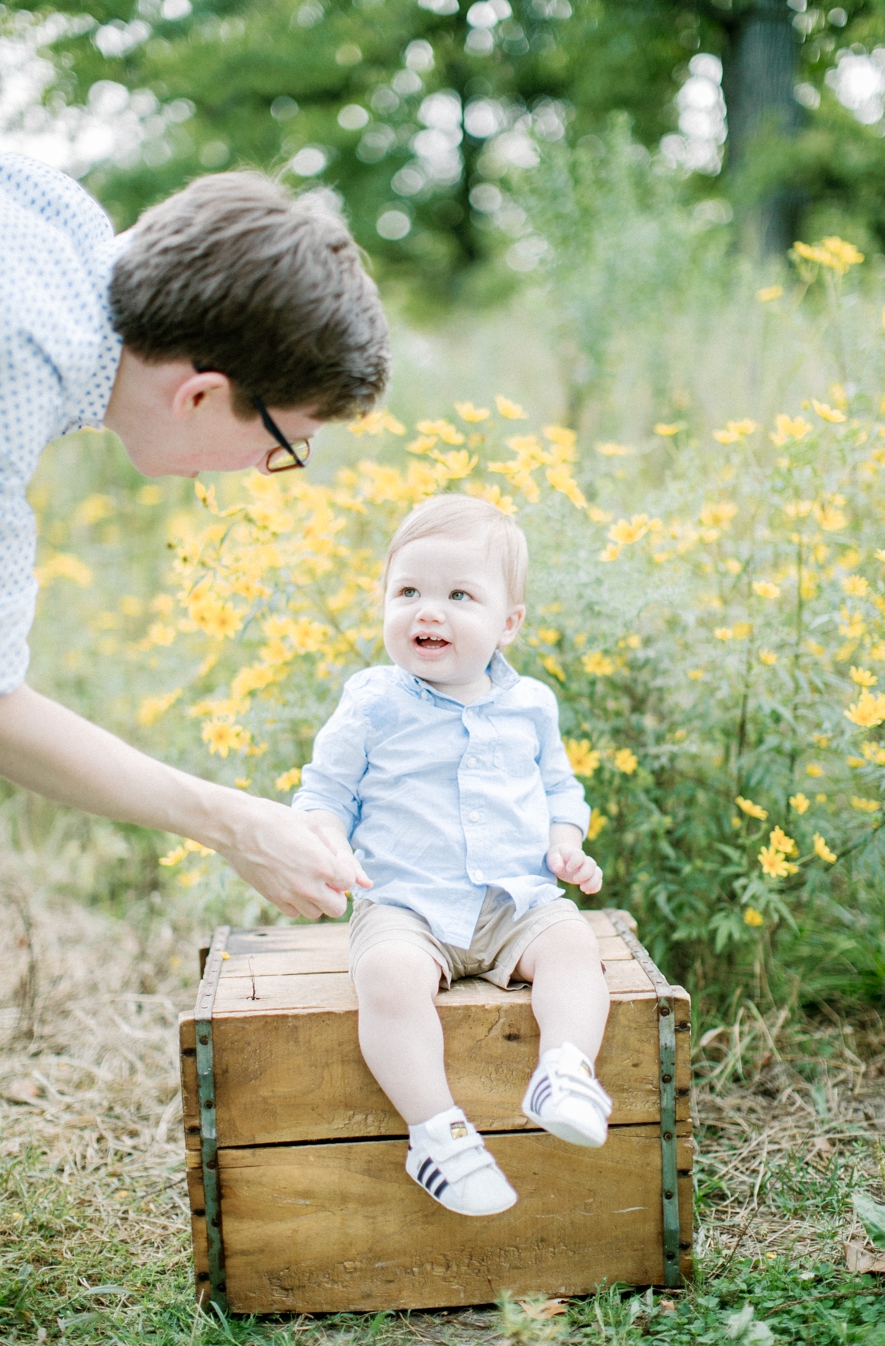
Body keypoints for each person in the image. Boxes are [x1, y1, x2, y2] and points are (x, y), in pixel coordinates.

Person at [0, 152, 390, 920]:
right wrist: (233, 824)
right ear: (201, 395)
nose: (265, 469)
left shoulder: (58, 217)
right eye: (284, 444)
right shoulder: (19, 364)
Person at [292, 494, 612, 1217]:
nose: (428, 611)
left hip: (514, 901)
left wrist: (566, 844)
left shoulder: (532, 704)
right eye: (408, 591)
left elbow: (560, 789)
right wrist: (327, 842)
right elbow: (325, 792)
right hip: (406, 905)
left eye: (459, 596)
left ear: (509, 623)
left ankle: (565, 1072)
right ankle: (437, 1133)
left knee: (574, 949)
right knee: (387, 977)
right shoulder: (372, 700)